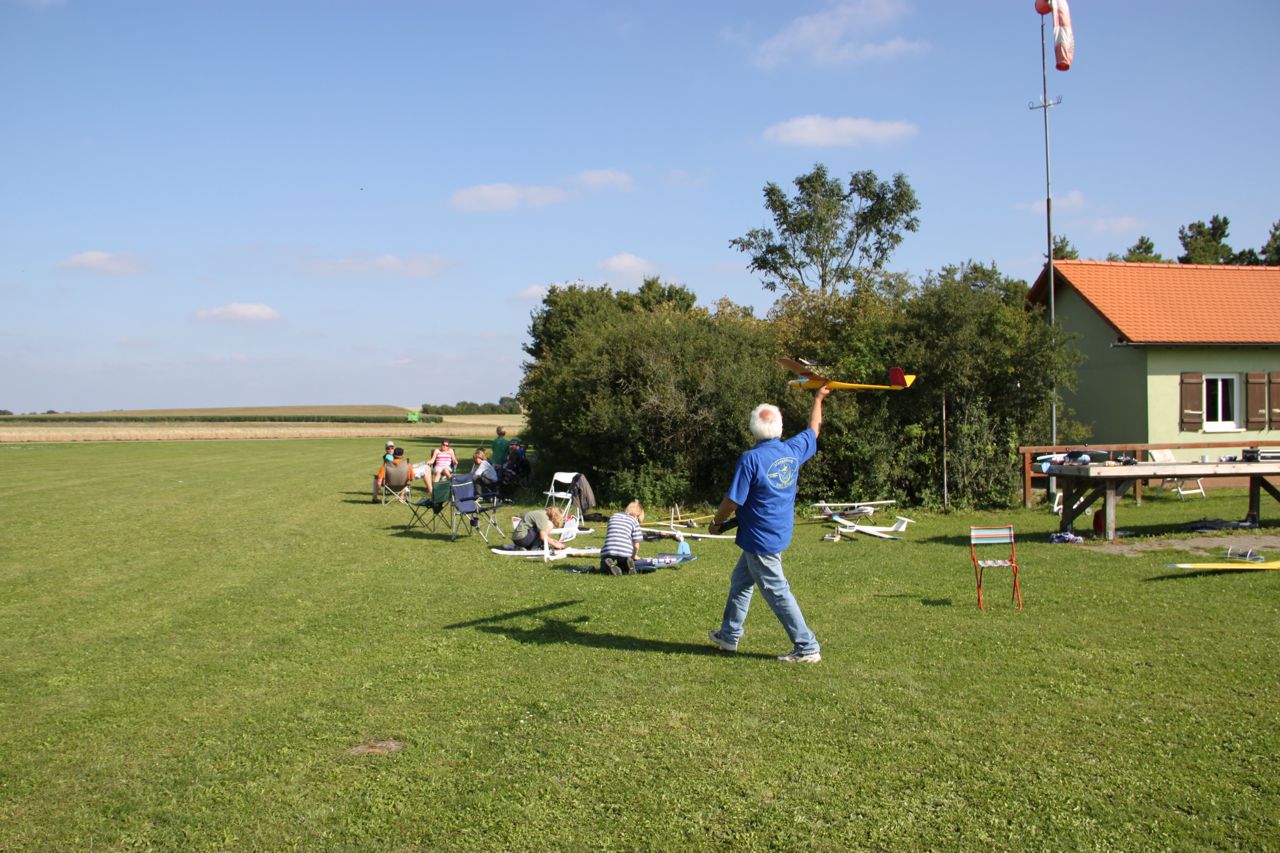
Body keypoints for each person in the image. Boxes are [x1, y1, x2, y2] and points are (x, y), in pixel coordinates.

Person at [708, 384, 831, 664]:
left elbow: (732, 501)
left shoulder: (750, 459)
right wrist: (818, 398)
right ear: (779, 427)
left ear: (753, 430)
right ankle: (728, 636)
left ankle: (807, 646)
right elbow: (814, 429)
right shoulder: (791, 450)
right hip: (774, 533)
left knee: (777, 591)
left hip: (760, 539)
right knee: (741, 581)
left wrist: (716, 522)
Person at [599, 501, 645, 575]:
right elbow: (636, 545)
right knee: (623, 560)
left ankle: (610, 566)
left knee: (604, 565)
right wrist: (634, 556)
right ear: (638, 515)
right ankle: (627, 564)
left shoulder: (614, 517)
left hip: (609, 550)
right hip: (625, 551)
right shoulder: (634, 522)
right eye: (639, 520)